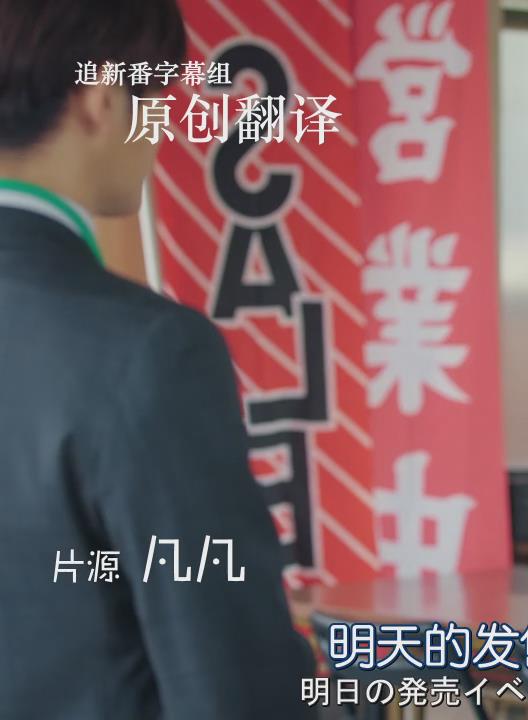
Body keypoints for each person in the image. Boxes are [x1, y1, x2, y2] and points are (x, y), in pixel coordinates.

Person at [0, 1, 315, 717]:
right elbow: (233, 681)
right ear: (100, 98)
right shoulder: (146, 352)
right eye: (157, 98)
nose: (164, 129)